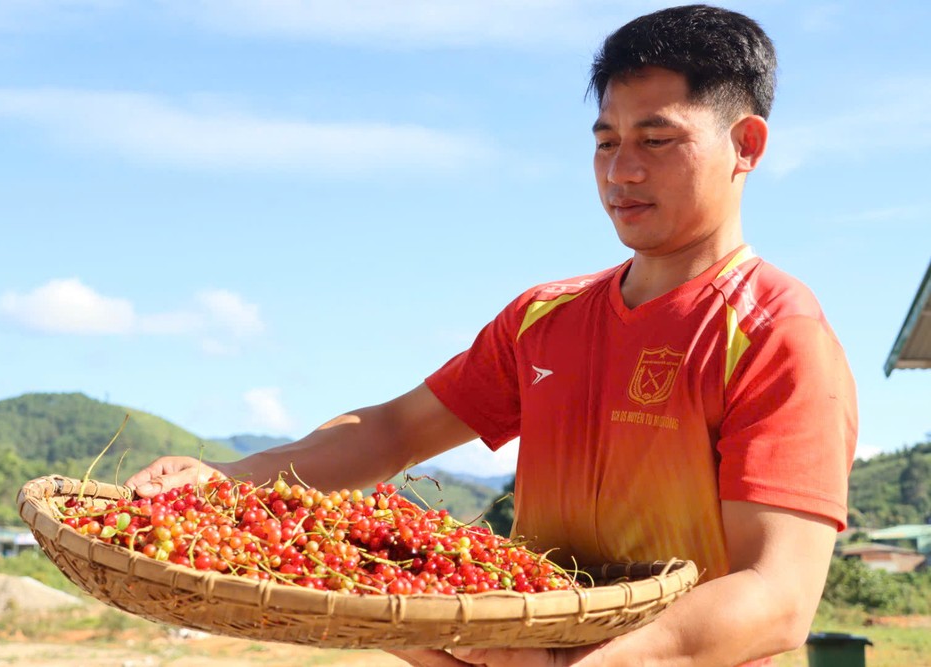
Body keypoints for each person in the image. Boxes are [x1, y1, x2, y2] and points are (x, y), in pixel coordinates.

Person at [126, 5, 857, 666]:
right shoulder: (545, 317)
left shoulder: (774, 334)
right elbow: (391, 431)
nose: (621, 171)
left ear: (747, 145)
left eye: (657, 139)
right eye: (606, 142)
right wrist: (222, 484)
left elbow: (778, 594)